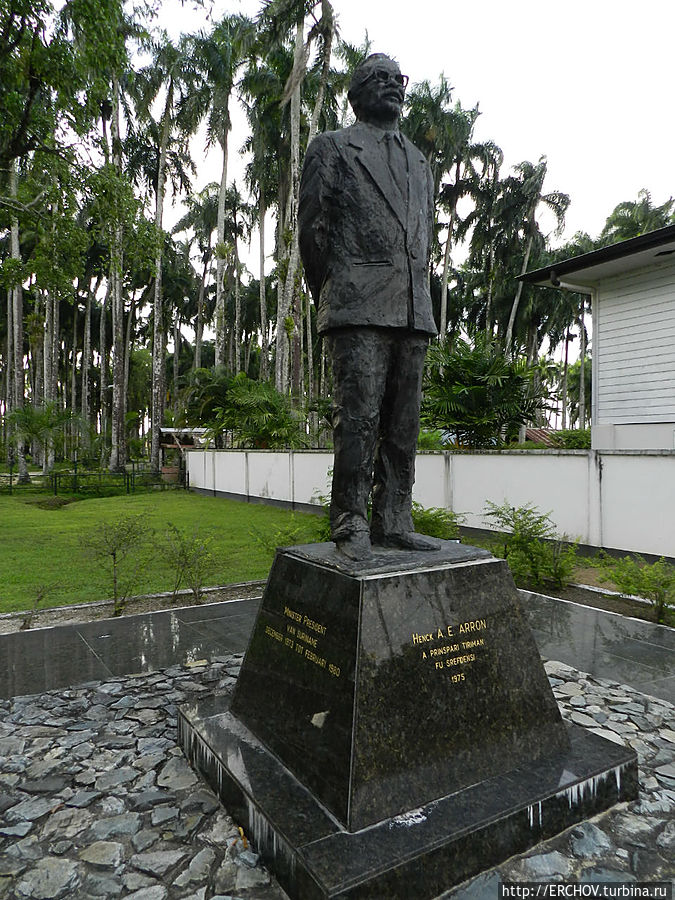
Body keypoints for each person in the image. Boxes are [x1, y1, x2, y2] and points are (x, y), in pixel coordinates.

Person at [299, 52, 441, 561]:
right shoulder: (333, 148)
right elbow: (313, 232)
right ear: (357, 94)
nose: (392, 86)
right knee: (356, 419)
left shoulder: (421, 164)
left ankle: (395, 518)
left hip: (411, 309)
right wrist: (337, 290)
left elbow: (421, 236)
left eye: (398, 78)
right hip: (356, 304)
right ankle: (350, 520)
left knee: (404, 424)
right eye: (378, 78)